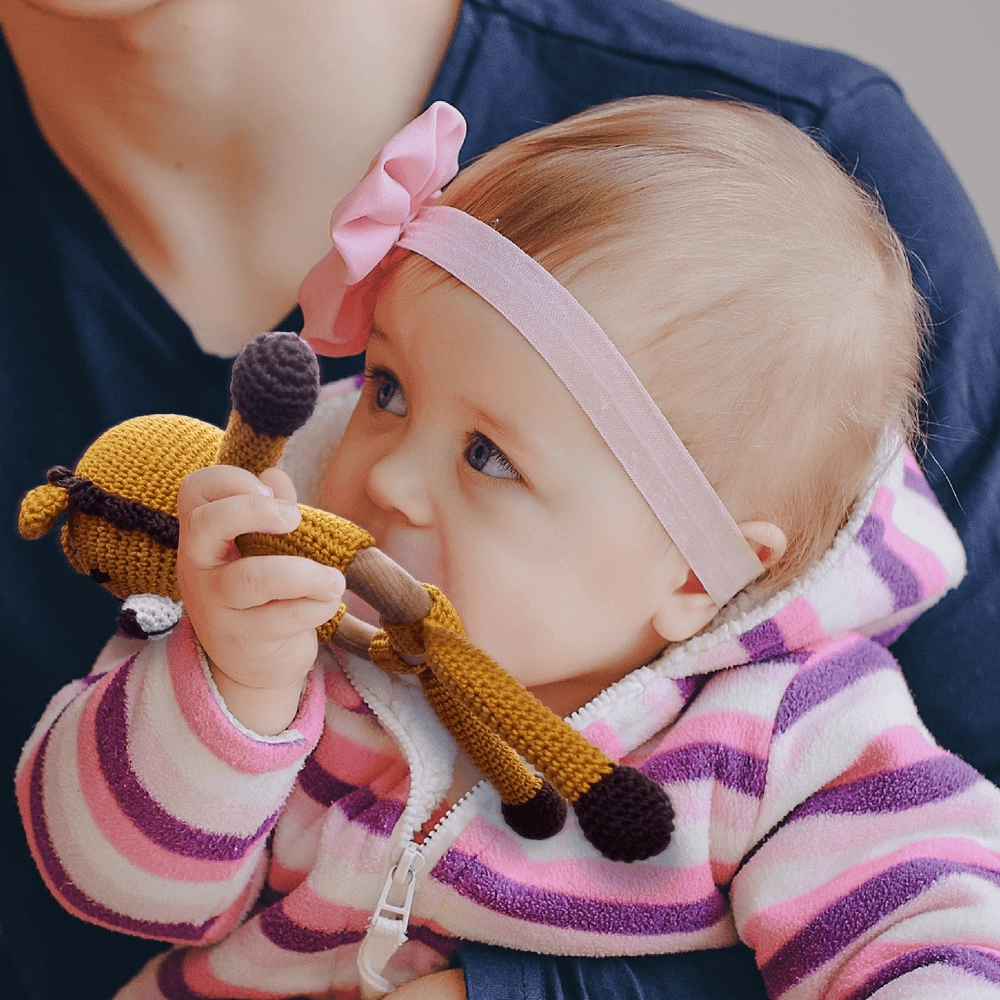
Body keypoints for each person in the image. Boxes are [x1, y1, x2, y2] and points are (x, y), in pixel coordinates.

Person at [2, 2, 998, 999]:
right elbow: (109, 884)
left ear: (696, 572)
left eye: (488, 454)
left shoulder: (786, 741)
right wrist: (230, 696)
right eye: (387, 390)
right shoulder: (288, 643)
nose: (386, 475)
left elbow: (937, 940)